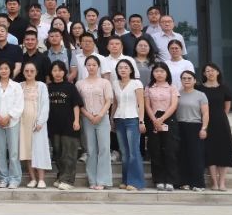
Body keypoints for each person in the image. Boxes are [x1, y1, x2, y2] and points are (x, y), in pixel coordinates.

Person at [76, 55, 114, 191]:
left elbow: (109, 100)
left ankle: (103, 180)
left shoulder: (105, 82)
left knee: (104, 149)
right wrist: (88, 115)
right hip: (87, 119)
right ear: (85, 67)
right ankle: (92, 179)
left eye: (94, 65)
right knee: (91, 150)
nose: (91, 67)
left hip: (102, 118)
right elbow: (79, 104)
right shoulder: (79, 84)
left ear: (98, 67)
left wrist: (100, 115)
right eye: (89, 65)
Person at [45, 61, 83, 190]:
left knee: (69, 154)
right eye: (54, 70)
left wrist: (76, 121)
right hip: (53, 125)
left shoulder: (70, 87)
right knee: (57, 153)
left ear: (64, 72)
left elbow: (76, 105)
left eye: (60, 70)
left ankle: (68, 180)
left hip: (69, 125)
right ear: (51, 72)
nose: (57, 73)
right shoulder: (48, 87)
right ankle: (61, 176)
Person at [110, 57, 146, 192]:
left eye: (126, 67)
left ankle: (135, 182)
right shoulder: (115, 83)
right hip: (119, 119)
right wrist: (111, 119)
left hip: (133, 119)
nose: (123, 70)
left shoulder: (136, 83)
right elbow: (115, 103)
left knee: (133, 151)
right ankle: (125, 180)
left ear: (131, 70)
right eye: (120, 68)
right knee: (124, 152)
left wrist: (141, 121)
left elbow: (141, 104)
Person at [199, 63, 232, 192]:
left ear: (218, 72)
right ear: (204, 74)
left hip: (221, 123)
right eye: (207, 71)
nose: (210, 73)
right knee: (210, 151)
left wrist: (221, 118)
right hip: (206, 123)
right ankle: (214, 182)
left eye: (212, 70)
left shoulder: (224, 88)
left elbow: (227, 107)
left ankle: (222, 182)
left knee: (223, 151)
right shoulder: (200, 88)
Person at [144, 62, 180, 192]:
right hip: (153, 120)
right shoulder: (149, 88)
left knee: (170, 150)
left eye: (162, 71)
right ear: (153, 73)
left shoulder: (172, 87)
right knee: (155, 150)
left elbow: (174, 105)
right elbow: (147, 105)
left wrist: (162, 118)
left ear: (167, 73)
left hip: (168, 119)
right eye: (156, 71)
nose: (159, 74)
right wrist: (154, 119)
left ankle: (170, 180)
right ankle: (158, 180)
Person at [174, 70, 209, 192]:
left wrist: (204, 128)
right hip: (180, 126)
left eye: (189, 78)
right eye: (184, 78)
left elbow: (205, 113)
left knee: (196, 156)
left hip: (195, 126)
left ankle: (198, 184)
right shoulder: (177, 94)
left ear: (194, 80)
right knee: (182, 155)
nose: (186, 80)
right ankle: (183, 182)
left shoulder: (201, 95)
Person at [20, 61, 52, 189]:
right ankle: (32, 179)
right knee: (27, 151)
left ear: (36, 72)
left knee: (39, 150)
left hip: (38, 124)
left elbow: (45, 105)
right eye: (26, 71)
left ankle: (41, 179)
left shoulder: (42, 86)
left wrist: (40, 122)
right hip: (23, 124)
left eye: (32, 71)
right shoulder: (20, 86)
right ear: (23, 72)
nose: (29, 73)